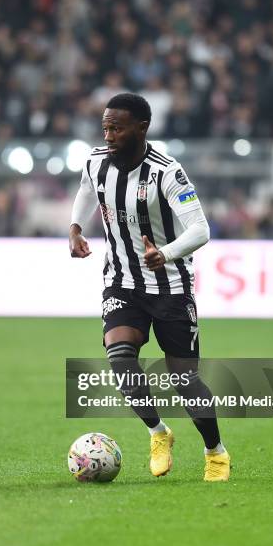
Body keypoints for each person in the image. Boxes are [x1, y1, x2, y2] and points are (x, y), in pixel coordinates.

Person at [69, 93, 230, 481]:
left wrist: (168, 253)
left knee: (183, 380)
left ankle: (215, 451)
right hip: (122, 282)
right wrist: (76, 227)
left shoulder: (166, 172)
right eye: (105, 126)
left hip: (171, 287)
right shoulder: (95, 160)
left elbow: (200, 229)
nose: (108, 134)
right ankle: (158, 433)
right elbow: (88, 189)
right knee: (121, 359)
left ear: (142, 129)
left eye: (117, 128)